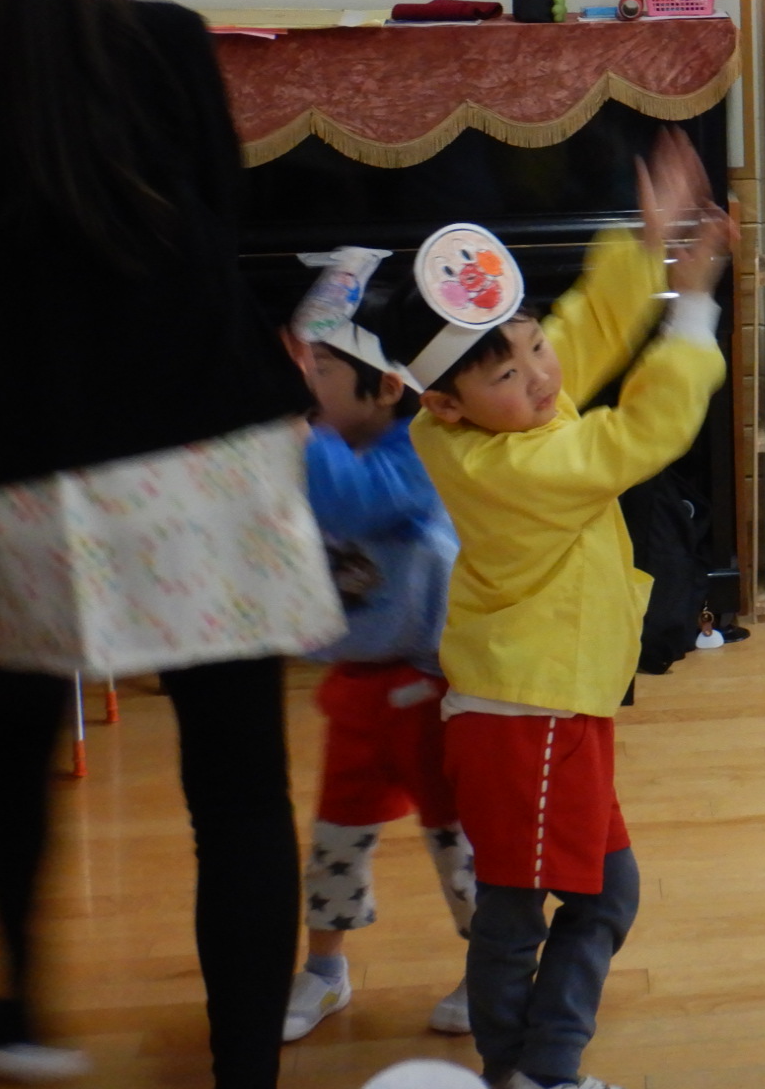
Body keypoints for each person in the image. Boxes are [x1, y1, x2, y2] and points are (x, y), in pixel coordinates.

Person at [0, 0, 342, 1085]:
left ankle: (21, 1009)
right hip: (207, 456)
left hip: (13, 480)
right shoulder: (168, 41)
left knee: (17, 729)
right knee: (237, 788)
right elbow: (218, 235)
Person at [380, 132, 731, 1089]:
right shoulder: (524, 466)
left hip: (543, 706)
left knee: (585, 893)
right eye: (508, 372)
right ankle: (533, 1069)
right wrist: (692, 306)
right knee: (526, 903)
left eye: (532, 345)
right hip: (530, 714)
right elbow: (642, 431)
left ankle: (533, 1063)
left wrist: (645, 246)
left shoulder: (485, 418)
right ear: (447, 404)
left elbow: (580, 333)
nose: (539, 374)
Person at [277, 252, 476, 1045]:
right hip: (358, 688)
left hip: (430, 691)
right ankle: (325, 969)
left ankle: (493, 965)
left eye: (321, 372)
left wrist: (296, 433)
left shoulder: (416, 455)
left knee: (457, 840)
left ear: (388, 387)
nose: (308, 388)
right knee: (335, 836)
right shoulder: (338, 447)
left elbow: (347, 502)